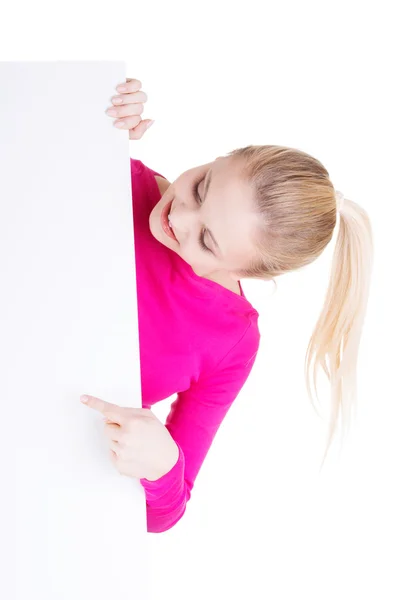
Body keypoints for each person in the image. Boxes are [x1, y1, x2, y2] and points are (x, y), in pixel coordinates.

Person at [103, 78, 374, 533]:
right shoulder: (115, 177)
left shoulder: (231, 341)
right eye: (202, 187)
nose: (179, 216)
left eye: (207, 240)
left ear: (250, 274)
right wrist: (88, 127)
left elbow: (162, 514)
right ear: (220, 157)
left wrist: (163, 464)